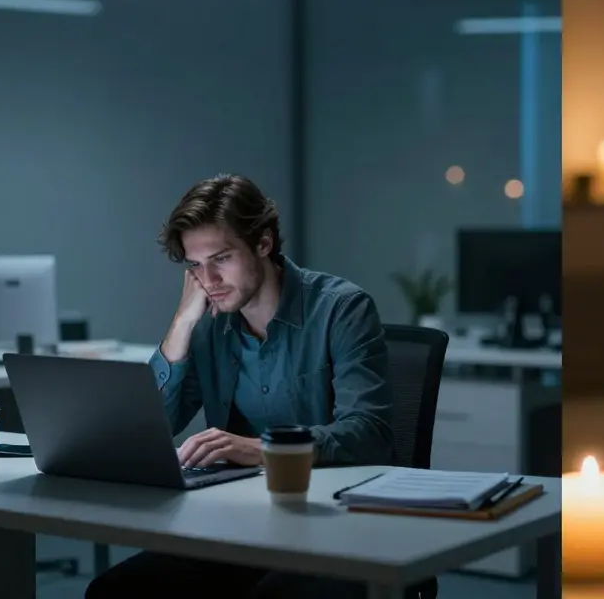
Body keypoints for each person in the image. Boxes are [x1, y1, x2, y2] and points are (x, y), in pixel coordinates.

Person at [86, 173, 395, 599]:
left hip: (333, 527)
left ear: (264, 243)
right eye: (195, 265)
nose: (207, 279)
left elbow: (371, 434)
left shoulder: (342, 309)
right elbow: (152, 430)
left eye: (221, 258)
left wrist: (265, 450)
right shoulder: (212, 326)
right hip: (239, 525)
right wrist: (182, 323)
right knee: (114, 592)